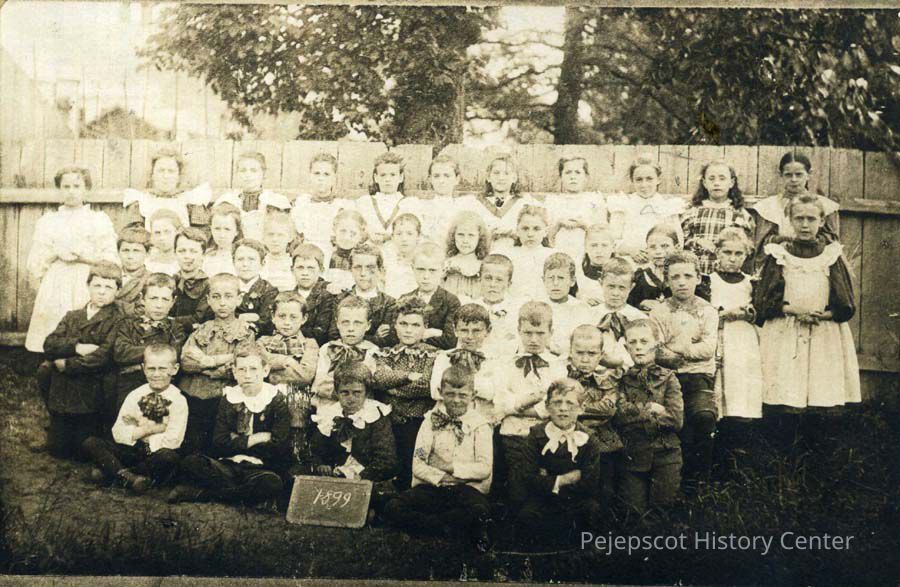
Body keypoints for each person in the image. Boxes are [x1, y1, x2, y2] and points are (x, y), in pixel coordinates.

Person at [754, 194, 860, 410]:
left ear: (821, 221)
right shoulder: (778, 254)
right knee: (784, 388)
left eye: (811, 219)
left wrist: (828, 314)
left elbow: (844, 299)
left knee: (820, 388)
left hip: (823, 329)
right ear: (789, 220)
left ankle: (815, 428)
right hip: (786, 328)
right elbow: (764, 299)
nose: (805, 225)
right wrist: (792, 309)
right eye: (799, 218)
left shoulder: (831, 254)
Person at [383, 365, 493, 551]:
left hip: (466, 488)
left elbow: (484, 468)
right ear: (441, 392)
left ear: (473, 395)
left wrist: (450, 468)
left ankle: (428, 527)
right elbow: (418, 462)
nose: (456, 400)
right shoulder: (430, 422)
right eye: (450, 394)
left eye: (462, 395)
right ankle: (443, 526)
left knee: (479, 511)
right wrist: (441, 477)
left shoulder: (480, 426)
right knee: (394, 506)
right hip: (433, 486)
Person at [169, 344, 292, 505]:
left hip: (259, 467)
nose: (247, 375)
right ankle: (240, 495)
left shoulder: (276, 401)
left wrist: (236, 440)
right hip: (228, 464)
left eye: (253, 369)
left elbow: (278, 445)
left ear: (265, 370)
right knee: (191, 462)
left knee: (271, 483)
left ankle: (204, 495)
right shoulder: (229, 399)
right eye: (242, 369)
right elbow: (219, 442)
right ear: (234, 372)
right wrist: (255, 439)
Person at [25, 166, 118, 353]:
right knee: (55, 321)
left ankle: (83, 357)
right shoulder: (49, 221)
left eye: (76, 186)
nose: (71, 191)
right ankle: (51, 358)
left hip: (86, 278)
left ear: (86, 189)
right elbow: (35, 262)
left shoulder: (98, 220)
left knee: (83, 319)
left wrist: (85, 257)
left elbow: (111, 259)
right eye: (66, 187)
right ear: (59, 190)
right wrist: (56, 253)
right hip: (57, 280)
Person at [39, 261, 123, 459]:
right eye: (97, 285)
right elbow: (49, 344)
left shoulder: (118, 320)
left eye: (108, 287)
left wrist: (68, 364)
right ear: (88, 286)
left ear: (118, 291)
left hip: (92, 381)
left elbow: (103, 355)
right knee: (58, 450)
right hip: (65, 384)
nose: (101, 292)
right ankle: (59, 424)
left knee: (81, 452)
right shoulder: (73, 316)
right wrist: (76, 347)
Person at [650, 251, 718, 488]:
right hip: (668, 377)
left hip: (699, 377)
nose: (681, 282)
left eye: (688, 276)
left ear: (698, 278)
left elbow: (708, 348)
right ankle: (673, 483)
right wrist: (682, 355)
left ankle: (699, 484)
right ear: (667, 280)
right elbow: (657, 350)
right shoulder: (659, 312)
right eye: (675, 277)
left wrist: (678, 349)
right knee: (674, 424)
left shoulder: (707, 311)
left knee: (703, 416)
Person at [508, 378, 604, 547]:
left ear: (581, 408)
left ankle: (582, 557)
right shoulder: (536, 435)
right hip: (543, 500)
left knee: (592, 510)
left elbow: (590, 484)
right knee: (527, 516)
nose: (563, 408)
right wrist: (564, 479)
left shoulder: (589, 438)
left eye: (570, 403)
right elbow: (528, 478)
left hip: (576, 501)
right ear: (547, 406)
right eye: (557, 402)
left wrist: (547, 479)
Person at [83, 344, 186, 493]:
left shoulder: (178, 400)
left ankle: (115, 473)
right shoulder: (135, 395)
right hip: (133, 449)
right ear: (143, 368)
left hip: (155, 454)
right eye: (151, 369)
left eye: (162, 369)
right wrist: (150, 429)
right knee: (91, 442)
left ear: (174, 369)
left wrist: (137, 430)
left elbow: (173, 440)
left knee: (168, 457)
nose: (156, 374)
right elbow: (118, 432)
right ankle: (130, 478)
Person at [492, 301, 567, 495]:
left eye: (540, 333)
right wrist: (524, 403)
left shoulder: (557, 366)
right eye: (528, 333)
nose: (534, 339)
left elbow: (554, 402)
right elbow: (501, 398)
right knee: (518, 486)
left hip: (547, 436)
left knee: (545, 488)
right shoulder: (507, 363)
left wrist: (517, 408)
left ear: (551, 332)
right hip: (514, 435)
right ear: (519, 330)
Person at [179, 273, 256, 452]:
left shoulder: (246, 333)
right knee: (193, 445)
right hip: (194, 395)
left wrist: (204, 365)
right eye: (216, 297)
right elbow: (185, 362)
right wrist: (213, 362)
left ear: (238, 299)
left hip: (224, 397)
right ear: (208, 300)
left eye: (228, 296)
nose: (222, 303)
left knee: (219, 445)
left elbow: (238, 366)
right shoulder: (201, 330)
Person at [614, 319, 683, 514]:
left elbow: (675, 420)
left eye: (644, 341)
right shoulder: (622, 380)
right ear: (626, 347)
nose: (638, 347)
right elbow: (619, 415)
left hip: (666, 454)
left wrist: (635, 413)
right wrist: (651, 408)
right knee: (633, 513)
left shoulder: (669, 378)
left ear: (656, 344)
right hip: (634, 456)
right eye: (633, 342)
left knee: (663, 510)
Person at [370, 298, 437, 489]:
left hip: (419, 424)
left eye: (415, 325)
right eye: (403, 324)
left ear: (425, 327)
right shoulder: (385, 353)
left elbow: (425, 385)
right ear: (395, 325)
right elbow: (380, 378)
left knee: (414, 470)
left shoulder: (434, 355)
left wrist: (393, 388)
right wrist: (408, 376)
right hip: (389, 424)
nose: (408, 330)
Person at [109, 273, 186, 425]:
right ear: (142, 299)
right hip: (128, 385)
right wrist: (157, 351)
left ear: (173, 301)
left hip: (160, 386)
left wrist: (137, 352)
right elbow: (120, 352)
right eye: (153, 298)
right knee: (127, 427)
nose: (159, 305)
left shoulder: (175, 329)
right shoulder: (128, 324)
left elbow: (172, 355)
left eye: (165, 299)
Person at [257, 292, 320, 473]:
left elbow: (305, 375)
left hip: (296, 396)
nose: (287, 322)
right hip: (268, 395)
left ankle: (294, 462)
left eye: (293, 317)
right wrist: (288, 361)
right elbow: (259, 369)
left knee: (297, 409)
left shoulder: (309, 344)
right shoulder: (263, 342)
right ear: (273, 317)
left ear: (304, 319)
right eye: (282, 316)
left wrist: (272, 371)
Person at [310, 361, 398, 485]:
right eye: (345, 392)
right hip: (334, 479)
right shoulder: (330, 415)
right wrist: (321, 465)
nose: (351, 399)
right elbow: (316, 450)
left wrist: (360, 476)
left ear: (366, 392)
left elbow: (387, 461)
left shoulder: (375, 416)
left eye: (357, 393)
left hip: (367, 480)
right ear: (337, 392)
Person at [749, 152, 840, 271]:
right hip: (778, 264)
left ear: (809, 174)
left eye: (799, 174)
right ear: (780, 175)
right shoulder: (769, 206)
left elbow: (832, 241)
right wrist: (782, 240)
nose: (794, 179)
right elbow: (762, 244)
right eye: (788, 175)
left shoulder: (825, 205)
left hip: (815, 263)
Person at [709, 228, 762, 420]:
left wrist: (747, 313)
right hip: (719, 335)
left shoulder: (751, 282)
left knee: (741, 379)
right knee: (721, 379)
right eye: (727, 252)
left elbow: (760, 312)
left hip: (743, 339)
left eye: (738, 253)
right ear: (718, 252)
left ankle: (740, 423)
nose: (733, 258)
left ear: (746, 255)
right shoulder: (709, 281)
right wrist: (723, 314)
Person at [567, 324, 623, 503]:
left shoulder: (607, 380)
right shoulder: (563, 378)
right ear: (570, 352)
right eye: (579, 353)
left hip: (601, 442)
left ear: (601, 355)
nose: (585, 359)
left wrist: (575, 409)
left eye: (591, 354)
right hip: (569, 440)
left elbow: (608, 408)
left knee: (604, 490)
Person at [680, 160, 755, 275]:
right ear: (704, 183)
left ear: (731, 182)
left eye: (722, 178)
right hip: (696, 273)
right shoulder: (692, 213)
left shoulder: (740, 215)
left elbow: (748, 248)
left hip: (727, 275)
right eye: (711, 179)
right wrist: (698, 242)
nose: (716, 183)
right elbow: (682, 241)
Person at [429, 303, 500, 424]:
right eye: (464, 330)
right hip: (447, 421)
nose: (469, 337)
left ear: (488, 331)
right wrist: (474, 387)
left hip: (482, 422)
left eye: (476, 331)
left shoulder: (494, 360)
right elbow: (435, 391)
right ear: (455, 330)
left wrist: (453, 386)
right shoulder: (444, 357)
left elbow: (492, 393)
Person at [607, 155, 684, 262]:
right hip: (630, 261)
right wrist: (631, 251)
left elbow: (679, 241)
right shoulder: (623, 204)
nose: (644, 185)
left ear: (658, 180)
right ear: (632, 181)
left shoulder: (668, 206)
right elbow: (612, 240)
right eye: (639, 180)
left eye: (649, 179)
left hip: (661, 261)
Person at [311, 295, 380, 407]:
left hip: (360, 407)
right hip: (327, 405)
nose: (351, 328)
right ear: (337, 323)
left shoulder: (372, 352)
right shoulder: (328, 349)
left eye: (357, 323)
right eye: (345, 322)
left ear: (368, 325)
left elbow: (366, 386)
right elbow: (320, 383)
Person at [456, 154, 535, 250]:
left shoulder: (525, 202)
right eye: (496, 173)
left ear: (514, 178)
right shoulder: (474, 202)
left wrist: (513, 233)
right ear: (488, 177)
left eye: (506, 173)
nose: (501, 178)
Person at [122, 147, 212, 230]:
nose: (165, 176)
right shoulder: (141, 201)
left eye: (171, 171)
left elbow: (199, 234)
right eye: (161, 171)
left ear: (179, 176)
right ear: (152, 174)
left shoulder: (191, 200)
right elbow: (133, 235)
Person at [627, 223, 710, 312]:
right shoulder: (639, 277)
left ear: (677, 248)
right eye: (652, 247)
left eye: (665, 246)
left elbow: (702, 306)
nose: (658, 251)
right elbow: (628, 305)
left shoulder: (688, 276)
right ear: (646, 249)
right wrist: (641, 303)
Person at [328, 242, 397, 347]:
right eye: (358, 267)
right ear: (350, 269)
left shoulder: (389, 303)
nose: (363, 273)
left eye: (370, 267)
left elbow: (388, 340)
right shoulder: (340, 299)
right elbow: (334, 335)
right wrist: (375, 337)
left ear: (380, 270)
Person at [393, 242, 461, 350]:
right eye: (421, 269)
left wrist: (413, 336)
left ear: (443, 271)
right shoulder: (404, 298)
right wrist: (433, 333)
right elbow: (394, 336)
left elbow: (450, 340)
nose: (426, 276)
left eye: (432, 270)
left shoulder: (450, 301)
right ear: (413, 268)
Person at [548, 156, 609, 263]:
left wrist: (584, 225)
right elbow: (546, 234)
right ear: (561, 177)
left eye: (577, 172)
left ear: (586, 176)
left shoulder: (594, 199)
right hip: (560, 253)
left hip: (588, 256)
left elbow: (603, 233)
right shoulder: (553, 201)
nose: (573, 177)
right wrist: (559, 224)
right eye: (568, 172)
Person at [465, 254, 521, 359]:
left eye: (499, 280)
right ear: (479, 280)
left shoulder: (516, 311)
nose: (492, 284)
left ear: (509, 284)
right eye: (488, 278)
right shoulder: (469, 308)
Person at [594, 256, 647, 368]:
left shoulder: (639, 319)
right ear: (600, 283)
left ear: (631, 287)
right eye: (611, 286)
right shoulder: (589, 315)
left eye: (622, 288)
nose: (615, 293)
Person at [356, 152, 417, 244]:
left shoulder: (409, 203)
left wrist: (389, 236)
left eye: (392, 175)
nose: (387, 179)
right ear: (376, 177)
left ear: (401, 177)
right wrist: (368, 234)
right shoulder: (364, 202)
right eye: (383, 175)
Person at [541, 252, 594, 357]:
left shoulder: (581, 309)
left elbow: (585, 342)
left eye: (561, 278)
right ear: (544, 280)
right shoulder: (537, 307)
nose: (555, 283)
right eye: (550, 278)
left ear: (572, 281)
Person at [290, 152, 344, 254]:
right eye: (317, 173)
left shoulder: (340, 207)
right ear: (310, 176)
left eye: (326, 174)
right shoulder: (300, 203)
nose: (321, 178)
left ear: (334, 178)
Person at [503, 204, 558, 301]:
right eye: (525, 228)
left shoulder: (554, 256)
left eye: (536, 229)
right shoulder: (508, 256)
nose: (530, 234)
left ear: (545, 231)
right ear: (517, 231)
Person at [292, 243, 337, 346]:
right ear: (292, 270)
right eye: (300, 267)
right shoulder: (289, 297)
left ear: (321, 270)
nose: (305, 273)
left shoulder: (327, 296)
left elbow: (321, 332)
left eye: (311, 268)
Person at [232, 239, 279, 336]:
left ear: (262, 263)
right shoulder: (226, 287)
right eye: (240, 259)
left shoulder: (270, 291)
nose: (245, 264)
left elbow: (266, 323)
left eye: (251, 259)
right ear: (233, 262)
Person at [443, 211, 491, 299]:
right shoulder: (448, 263)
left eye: (471, 235)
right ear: (453, 236)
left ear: (480, 238)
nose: (465, 240)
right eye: (461, 235)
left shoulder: (482, 265)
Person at [170, 227, 210, 332]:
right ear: (175, 254)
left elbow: (200, 317)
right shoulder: (170, 281)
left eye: (193, 251)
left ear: (203, 255)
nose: (187, 256)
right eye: (182, 251)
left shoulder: (208, 285)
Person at [324, 208, 368, 292]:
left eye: (353, 233)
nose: (347, 238)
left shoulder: (364, 259)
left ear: (361, 236)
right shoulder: (327, 255)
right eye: (343, 231)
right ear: (334, 231)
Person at [574, 224, 617, 307]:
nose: (599, 250)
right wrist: (581, 299)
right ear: (585, 247)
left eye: (604, 245)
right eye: (594, 245)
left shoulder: (621, 273)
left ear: (613, 247)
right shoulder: (578, 273)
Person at [114, 227, 151, 318]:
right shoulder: (111, 275)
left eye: (136, 251)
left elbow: (143, 311)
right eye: (125, 250)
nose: (130, 256)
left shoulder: (150, 280)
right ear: (118, 252)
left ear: (147, 253)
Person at [382, 213, 421, 298]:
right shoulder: (387, 260)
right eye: (399, 234)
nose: (404, 239)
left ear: (418, 236)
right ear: (392, 237)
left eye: (409, 234)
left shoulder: (422, 261)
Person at [259, 213, 297, 292]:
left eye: (280, 235)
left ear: (290, 237)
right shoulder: (259, 263)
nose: (275, 239)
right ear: (263, 237)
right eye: (270, 234)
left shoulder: (294, 263)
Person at [202, 202, 242, 277]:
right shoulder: (204, 257)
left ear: (236, 231)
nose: (222, 235)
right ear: (211, 228)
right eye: (217, 229)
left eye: (227, 229)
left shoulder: (243, 258)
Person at [144, 209, 182, 276]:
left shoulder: (184, 261)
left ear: (177, 232)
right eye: (157, 233)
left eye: (167, 232)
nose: (162, 238)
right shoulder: (146, 263)